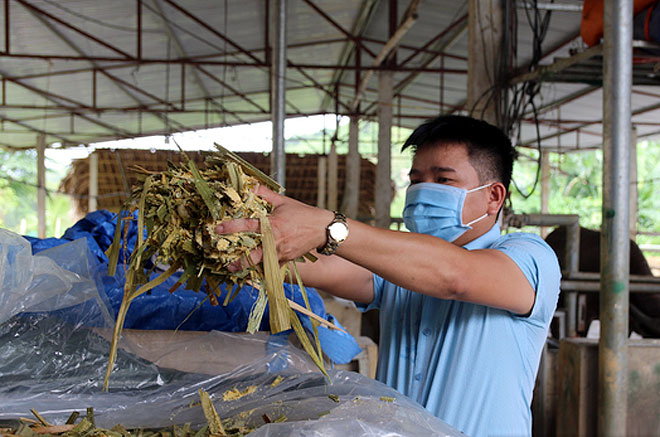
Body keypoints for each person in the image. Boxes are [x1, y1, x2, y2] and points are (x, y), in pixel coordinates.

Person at [216, 115, 561, 436]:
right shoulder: (395, 267)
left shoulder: (528, 258)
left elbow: (456, 277)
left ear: (493, 197)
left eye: (443, 180)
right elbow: (315, 264)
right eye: (415, 180)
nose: (422, 192)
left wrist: (328, 227)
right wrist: (241, 239)